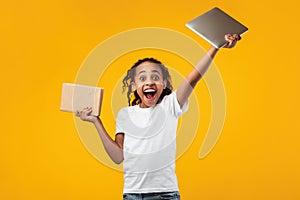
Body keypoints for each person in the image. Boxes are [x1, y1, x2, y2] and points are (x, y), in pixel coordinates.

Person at [76, 34, 241, 200]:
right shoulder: (125, 114)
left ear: (165, 84)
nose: (149, 82)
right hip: (132, 195)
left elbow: (194, 77)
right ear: (134, 86)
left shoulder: (170, 105)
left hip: (165, 195)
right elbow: (118, 157)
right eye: (142, 78)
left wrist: (215, 47)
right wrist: (96, 121)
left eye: (155, 77)